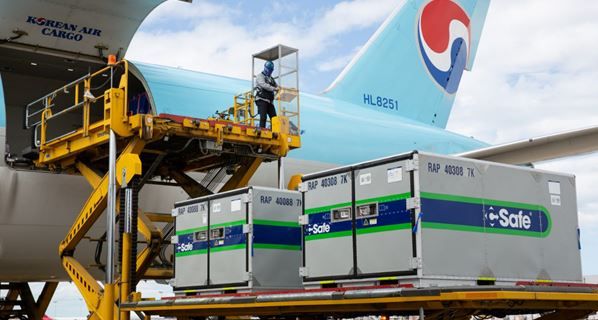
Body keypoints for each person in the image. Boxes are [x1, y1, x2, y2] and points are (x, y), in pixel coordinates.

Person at [255, 61, 278, 128]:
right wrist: (274, 89)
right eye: (269, 69)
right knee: (263, 117)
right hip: (261, 100)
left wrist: (281, 89)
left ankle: (274, 131)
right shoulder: (260, 76)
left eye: (271, 70)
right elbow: (264, 85)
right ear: (265, 68)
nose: (270, 71)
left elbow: (276, 86)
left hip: (269, 101)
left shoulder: (271, 79)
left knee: (274, 118)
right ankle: (262, 130)